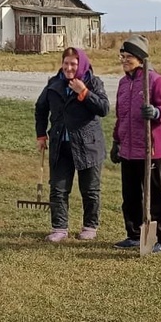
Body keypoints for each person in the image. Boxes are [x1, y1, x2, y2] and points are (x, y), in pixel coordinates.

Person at [34, 47, 111, 242]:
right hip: (61, 144)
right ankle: (59, 228)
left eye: (74, 64)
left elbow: (103, 109)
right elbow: (41, 108)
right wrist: (41, 135)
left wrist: (84, 92)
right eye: (66, 63)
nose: (69, 68)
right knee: (58, 188)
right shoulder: (54, 84)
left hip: (88, 144)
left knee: (90, 189)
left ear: (81, 65)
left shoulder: (93, 82)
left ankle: (90, 226)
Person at [111, 34, 161, 253]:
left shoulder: (155, 81)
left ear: (140, 58)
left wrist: (157, 112)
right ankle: (134, 235)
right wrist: (116, 142)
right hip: (129, 149)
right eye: (122, 56)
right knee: (130, 196)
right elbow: (121, 116)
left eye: (129, 56)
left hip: (152, 150)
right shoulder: (123, 84)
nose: (124, 60)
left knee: (157, 196)